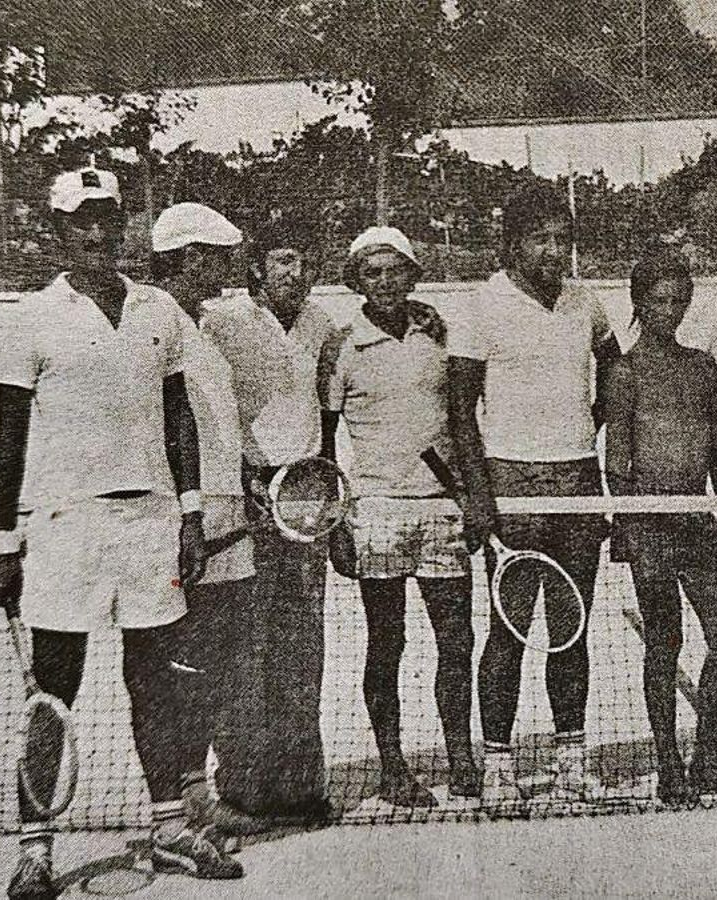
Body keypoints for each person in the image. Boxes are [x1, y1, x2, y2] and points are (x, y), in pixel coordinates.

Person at [0, 168, 238, 900]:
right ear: (58, 230)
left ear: (124, 225)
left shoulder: (159, 309)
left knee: (155, 684)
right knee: (54, 692)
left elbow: (178, 416)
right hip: (67, 528)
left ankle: (168, 828)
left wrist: (189, 514)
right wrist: (3, 544)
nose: (98, 233)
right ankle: (35, 850)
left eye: (109, 219)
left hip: (150, 525)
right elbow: (10, 443)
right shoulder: (32, 317)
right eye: (82, 221)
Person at [448, 184, 620, 805]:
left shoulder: (586, 304)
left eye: (561, 240)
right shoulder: (480, 306)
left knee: (570, 629)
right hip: (510, 486)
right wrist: (479, 493)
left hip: (577, 480)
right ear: (513, 244)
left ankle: (571, 756)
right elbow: (460, 413)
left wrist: (581, 428)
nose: (553, 251)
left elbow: (616, 375)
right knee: (510, 631)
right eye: (539, 239)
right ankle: (498, 762)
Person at [322, 226, 477, 805]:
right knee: (387, 644)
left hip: (441, 511)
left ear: (413, 275)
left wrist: (473, 498)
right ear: (356, 282)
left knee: (456, 642)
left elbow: (465, 420)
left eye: (394, 271)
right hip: (376, 515)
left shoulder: (441, 333)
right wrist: (338, 521)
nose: (383, 282)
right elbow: (324, 442)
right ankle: (393, 766)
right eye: (371, 273)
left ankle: (462, 756)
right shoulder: (341, 345)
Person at [604, 248, 717, 804]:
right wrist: (629, 524)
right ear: (639, 303)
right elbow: (617, 457)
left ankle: (706, 752)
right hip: (651, 525)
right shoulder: (624, 371)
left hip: (696, 522)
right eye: (658, 301)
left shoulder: (701, 365)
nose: (670, 311)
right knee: (663, 643)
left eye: (679, 301)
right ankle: (669, 762)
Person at [203, 220, 338, 824]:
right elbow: (207, 414)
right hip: (246, 500)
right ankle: (240, 789)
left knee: (302, 647)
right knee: (245, 649)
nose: (295, 271)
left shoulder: (323, 325)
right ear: (256, 267)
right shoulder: (220, 323)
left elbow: (327, 413)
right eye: (283, 259)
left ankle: (301, 786)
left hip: (306, 501)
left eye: (303, 260)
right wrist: (245, 476)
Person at [149, 202, 264, 829]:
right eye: (216, 259)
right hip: (185, 526)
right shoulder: (156, 325)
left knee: (214, 661)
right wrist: (186, 518)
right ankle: (185, 803)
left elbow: (217, 430)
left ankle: (202, 796)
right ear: (189, 258)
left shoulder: (202, 325)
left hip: (229, 517)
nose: (224, 271)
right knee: (182, 666)